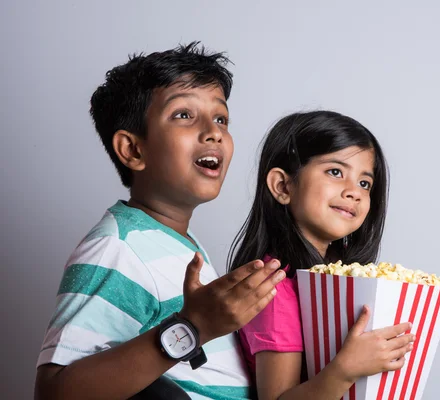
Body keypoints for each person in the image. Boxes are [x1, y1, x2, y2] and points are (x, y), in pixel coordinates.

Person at [34, 42, 285, 400]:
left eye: (221, 118)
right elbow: (54, 392)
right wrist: (193, 327)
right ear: (133, 150)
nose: (214, 132)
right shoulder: (117, 247)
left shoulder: (173, 242)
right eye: (184, 114)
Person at [229, 111, 415, 399]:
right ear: (283, 186)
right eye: (336, 172)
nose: (354, 191)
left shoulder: (337, 284)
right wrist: (346, 369)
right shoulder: (274, 288)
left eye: (365, 183)